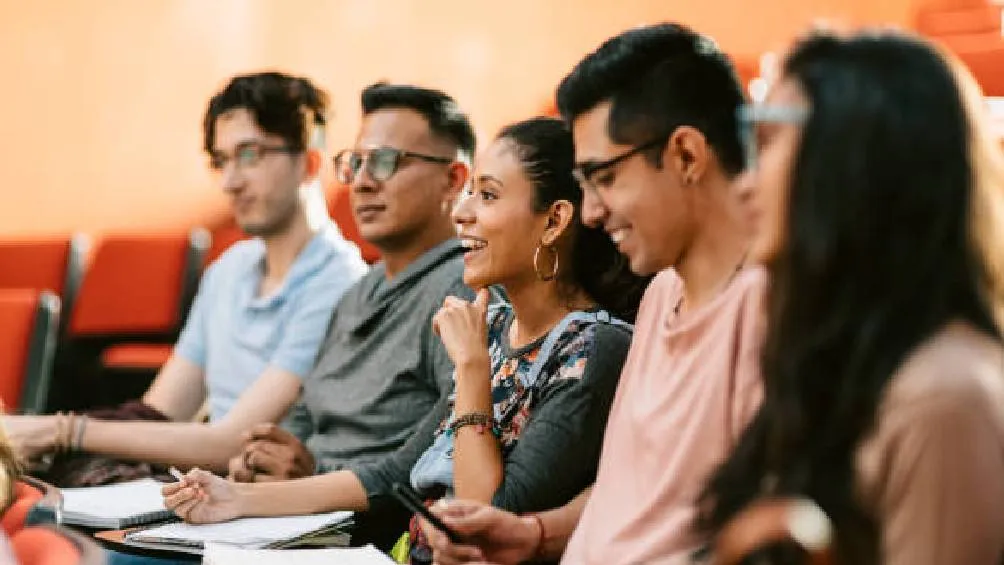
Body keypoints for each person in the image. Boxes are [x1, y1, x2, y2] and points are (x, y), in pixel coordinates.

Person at [423, 22, 763, 565]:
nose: (592, 212)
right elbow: (629, 494)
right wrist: (530, 535)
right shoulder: (660, 296)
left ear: (686, 156)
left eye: (603, 177)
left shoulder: (772, 315)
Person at [696, 31, 1004, 565]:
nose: (743, 185)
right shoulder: (831, 358)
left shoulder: (944, 394)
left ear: (851, 165)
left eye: (767, 143)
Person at [4, 72, 368, 481]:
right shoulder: (228, 269)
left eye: (249, 155)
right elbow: (160, 412)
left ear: (309, 163)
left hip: (267, 498)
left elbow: (236, 441)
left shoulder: (341, 282)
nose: (230, 182)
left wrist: (62, 430)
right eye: (221, 160)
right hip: (207, 486)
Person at [162, 83, 476, 548]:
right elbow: (306, 412)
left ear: (453, 180)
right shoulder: (360, 291)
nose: (363, 182)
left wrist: (293, 480)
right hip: (293, 518)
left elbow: (428, 465)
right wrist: (264, 455)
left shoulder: (460, 293)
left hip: (362, 534)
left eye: (387, 161)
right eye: (356, 162)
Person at [405, 117, 647, 561]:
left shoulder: (594, 348)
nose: (462, 212)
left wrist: (473, 369)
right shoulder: (493, 325)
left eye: (489, 195)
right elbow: (400, 473)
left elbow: (486, 524)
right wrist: (242, 501)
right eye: (470, 192)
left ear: (554, 221)